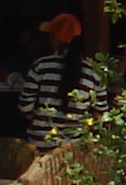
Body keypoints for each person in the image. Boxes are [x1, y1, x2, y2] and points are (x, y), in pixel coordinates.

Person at [12, 11, 82, 143]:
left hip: (42, 143)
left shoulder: (41, 66)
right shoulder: (92, 72)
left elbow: (25, 106)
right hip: (76, 148)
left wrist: (42, 120)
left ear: (55, 39)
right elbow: (100, 113)